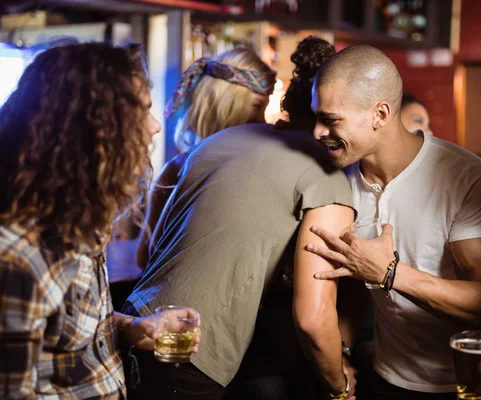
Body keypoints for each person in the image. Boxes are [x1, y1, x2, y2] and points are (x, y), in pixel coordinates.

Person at [123, 36, 358, 400]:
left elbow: (152, 254)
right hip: (194, 348)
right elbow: (314, 315)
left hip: (138, 323)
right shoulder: (326, 175)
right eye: (255, 104)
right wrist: (342, 389)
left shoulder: (219, 143)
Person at [307, 44, 481, 399]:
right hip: (383, 376)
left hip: (463, 384)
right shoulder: (338, 179)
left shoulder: (464, 175)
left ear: (381, 114)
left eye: (330, 119)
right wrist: (342, 352)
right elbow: (354, 287)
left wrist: (389, 272)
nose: (316, 132)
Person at [0, 42, 200, 399]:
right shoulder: (18, 257)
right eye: (141, 112)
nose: (155, 127)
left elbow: (70, 331)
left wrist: (133, 327)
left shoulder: (83, 222)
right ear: (92, 129)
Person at [136, 47, 276, 270]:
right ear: (226, 105)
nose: (263, 120)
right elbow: (147, 255)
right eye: (257, 107)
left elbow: (144, 255)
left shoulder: (177, 167)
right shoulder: (178, 170)